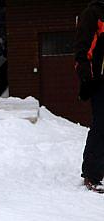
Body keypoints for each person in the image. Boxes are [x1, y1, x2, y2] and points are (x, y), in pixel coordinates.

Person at [74, 0, 104, 192]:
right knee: (101, 125)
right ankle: (92, 174)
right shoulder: (93, 13)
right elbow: (83, 48)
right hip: (99, 80)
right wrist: (87, 78)